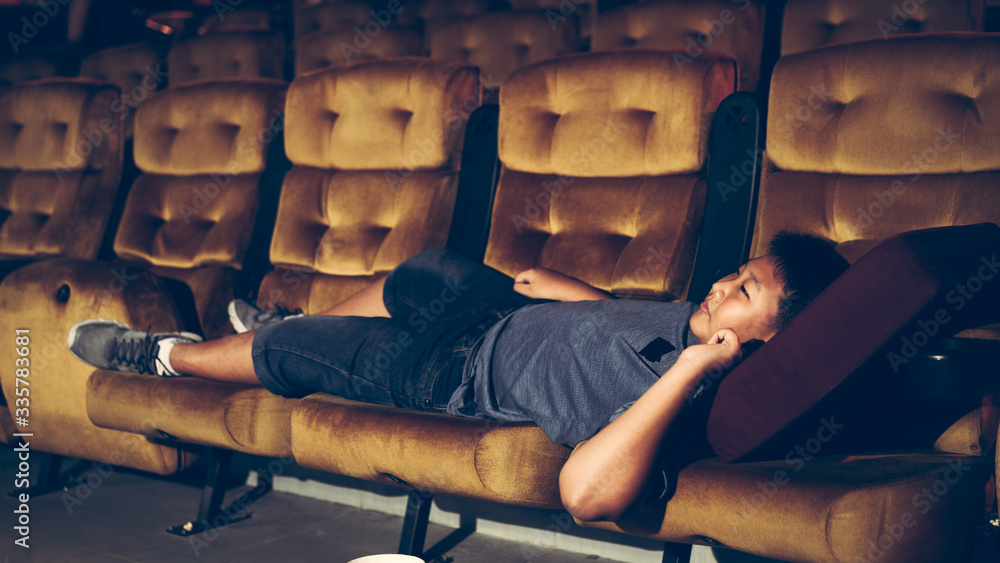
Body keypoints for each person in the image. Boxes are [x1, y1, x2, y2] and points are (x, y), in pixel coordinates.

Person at [67, 232, 849, 521]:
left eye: (742, 291)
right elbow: (620, 319)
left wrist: (692, 366)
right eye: (734, 271)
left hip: (454, 371)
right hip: (492, 312)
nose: (720, 284)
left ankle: (164, 352)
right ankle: (272, 325)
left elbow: (588, 494)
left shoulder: (692, 386)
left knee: (297, 349)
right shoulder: (695, 320)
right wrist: (576, 293)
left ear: (773, 341)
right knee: (423, 266)